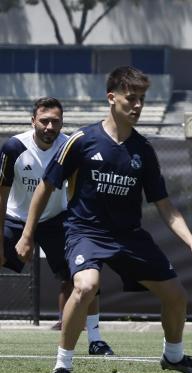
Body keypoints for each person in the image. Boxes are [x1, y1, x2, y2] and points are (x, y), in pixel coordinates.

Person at [15, 66, 192, 373]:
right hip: (85, 232)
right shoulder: (82, 140)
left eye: (142, 100)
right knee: (85, 285)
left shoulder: (143, 151)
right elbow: (45, 187)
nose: (137, 106)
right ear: (112, 98)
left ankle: (174, 356)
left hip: (129, 237)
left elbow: (165, 205)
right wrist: (27, 235)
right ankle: (62, 367)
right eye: (130, 98)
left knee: (176, 295)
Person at [0, 97, 113, 355]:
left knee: (86, 271)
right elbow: (1, 195)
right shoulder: (14, 147)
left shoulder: (70, 146)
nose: (50, 127)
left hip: (56, 219)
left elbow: (76, 189)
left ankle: (95, 339)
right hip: (15, 218)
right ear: (33, 121)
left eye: (56, 121)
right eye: (44, 121)